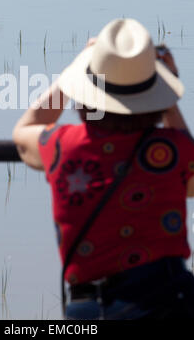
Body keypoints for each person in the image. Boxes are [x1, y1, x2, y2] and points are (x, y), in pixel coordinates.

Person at [12, 18, 194, 320]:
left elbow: (24, 130)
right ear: (156, 96)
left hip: (89, 309)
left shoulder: (63, 146)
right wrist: (165, 88)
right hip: (168, 301)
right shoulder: (171, 151)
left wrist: (76, 69)